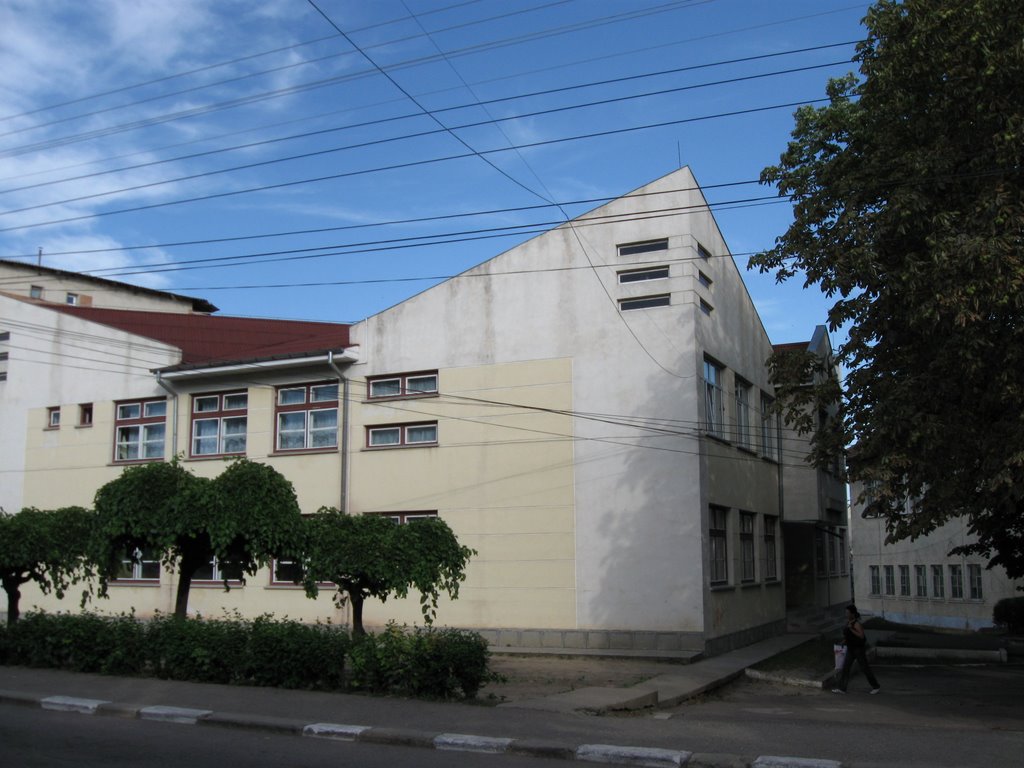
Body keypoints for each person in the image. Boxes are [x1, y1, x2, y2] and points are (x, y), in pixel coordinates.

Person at [832, 604, 881, 694]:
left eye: (847, 612)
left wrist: (851, 629)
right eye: (845, 612)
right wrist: (843, 642)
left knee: (864, 668)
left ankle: (876, 686)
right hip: (850, 649)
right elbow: (848, 636)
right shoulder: (848, 622)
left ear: (852, 614)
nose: (846, 614)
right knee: (846, 668)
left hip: (858, 649)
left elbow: (861, 636)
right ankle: (842, 688)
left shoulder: (856, 623)